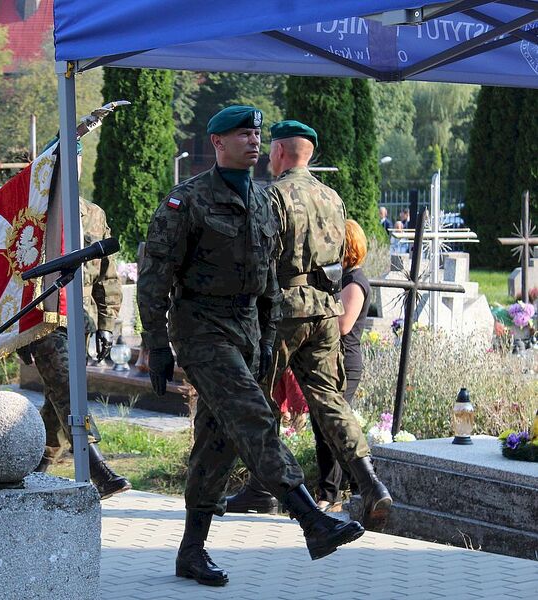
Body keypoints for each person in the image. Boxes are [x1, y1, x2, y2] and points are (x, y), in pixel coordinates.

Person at [138, 106, 364, 587]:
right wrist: (156, 343)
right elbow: (155, 275)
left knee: (217, 440)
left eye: (258, 133)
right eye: (243, 133)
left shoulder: (265, 202)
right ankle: (311, 519)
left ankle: (191, 552)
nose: (255, 140)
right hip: (201, 327)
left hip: (247, 328)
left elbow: (268, 283)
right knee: (255, 416)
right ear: (217, 143)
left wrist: (265, 341)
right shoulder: (188, 201)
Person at [226, 120, 391, 533]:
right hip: (324, 310)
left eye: (270, 150)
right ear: (310, 154)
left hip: (282, 309)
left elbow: (257, 260)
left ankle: (265, 489)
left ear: (280, 152)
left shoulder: (272, 195)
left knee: (258, 401)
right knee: (330, 400)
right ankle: (370, 482)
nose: (266, 156)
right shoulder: (333, 199)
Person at [17, 138, 131, 499]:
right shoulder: (34, 213)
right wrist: (17, 329)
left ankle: (35, 468)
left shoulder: (93, 214)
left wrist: (108, 327)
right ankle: (98, 467)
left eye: (76, 162)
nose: (72, 170)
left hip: (82, 319)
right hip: (44, 320)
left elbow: (107, 277)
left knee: (56, 400)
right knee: (69, 390)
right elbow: (15, 272)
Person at [310, 219, 371, 510]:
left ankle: (345, 492)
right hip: (331, 361)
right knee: (323, 426)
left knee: (333, 426)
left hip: (345, 363)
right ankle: (330, 493)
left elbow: (344, 324)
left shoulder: (355, 281)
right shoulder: (339, 278)